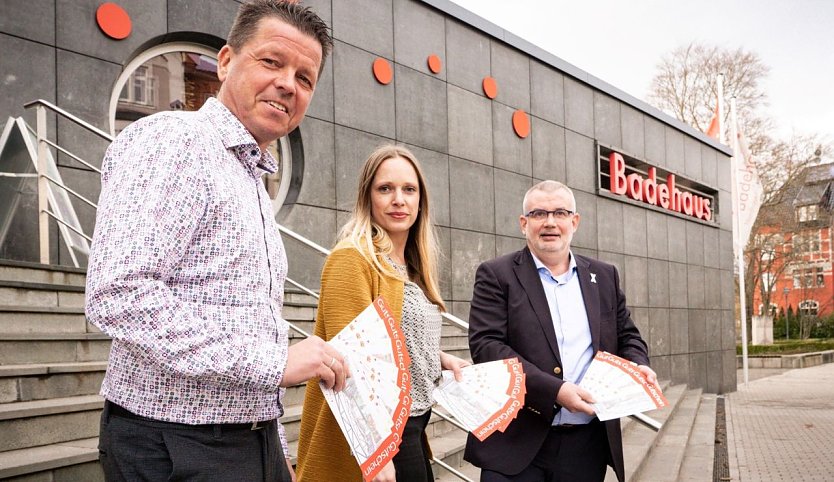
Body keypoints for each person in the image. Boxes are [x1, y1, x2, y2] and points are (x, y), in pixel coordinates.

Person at [85, 2, 345, 481]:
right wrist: (273, 362)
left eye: (305, 78)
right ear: (225, 61)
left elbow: (247, 319)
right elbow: (119, 293)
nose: (289, 83)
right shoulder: (174, 141)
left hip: (247, 438)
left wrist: (272, 442)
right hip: (176, 445)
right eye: (272, 62)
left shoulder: (250, 173)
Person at [295, 145, 470, 482]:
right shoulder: (352, 259)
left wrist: (439, 358)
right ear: (367, 198)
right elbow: (352, 361)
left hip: (413, 428)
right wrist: (375, 453)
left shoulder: (410, 266)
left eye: (409, 189)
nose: (398, 199)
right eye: (385, 189)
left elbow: (393, 336)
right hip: (379, 438)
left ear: (421, 200)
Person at [464, 180, 656, 482]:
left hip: (586, 446)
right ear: (523, 223)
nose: (550, 222)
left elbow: (628, 335)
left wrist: (638, 366)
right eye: (539, 213)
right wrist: (555, 391)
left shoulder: (604, 276)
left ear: (574, 222)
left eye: (560, 213)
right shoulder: (497, 275)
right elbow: (487, 348)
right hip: (516, 444)